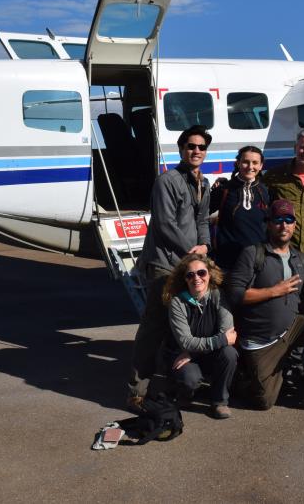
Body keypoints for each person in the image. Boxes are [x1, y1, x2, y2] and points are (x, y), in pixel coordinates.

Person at [224, 199, 304, 415]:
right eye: (278, 220)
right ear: (269, 224)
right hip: (261, 341)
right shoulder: (253, 253)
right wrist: (274, 291)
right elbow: (235, 294)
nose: (284, 225)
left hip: (292, 329)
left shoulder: (299, 258)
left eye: (289, 220)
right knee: (264, 401)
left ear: (294, 225)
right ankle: (243, 378)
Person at [126, 125, 212, 411]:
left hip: (189, 263)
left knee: (184, 325)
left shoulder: (203, 183)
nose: (196, 151)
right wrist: (192, 254)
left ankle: (173, 383)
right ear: (181, 149)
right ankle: (137, 391)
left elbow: (202, 222)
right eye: (191, 146)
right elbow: (164, 224)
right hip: (165, 263)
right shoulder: (167, 180)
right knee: (154, 326)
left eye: (201, 147)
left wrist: (205, 246)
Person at [162, 254, 238, 420]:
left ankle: (220, 402)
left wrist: (194, 351)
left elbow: (228, 332)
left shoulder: (218, 295)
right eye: (190, 275)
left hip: (194, 354)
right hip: (184, 356)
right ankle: (186, 392)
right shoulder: (177, 303)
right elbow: (186, 341)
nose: (196, 278)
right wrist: (219, 341)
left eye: (201, 273)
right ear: (185, 279)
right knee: (190, 379)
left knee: (230, 354)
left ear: (209, 275)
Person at [209, 145, 269, 270]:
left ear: (261, 165)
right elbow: (201, 217)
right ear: (238, 163)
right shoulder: (223, 190)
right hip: (228, 261)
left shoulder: (265, 191)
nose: (250, 167)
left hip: (258, 260)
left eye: (255, 163)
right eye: (246, 162)